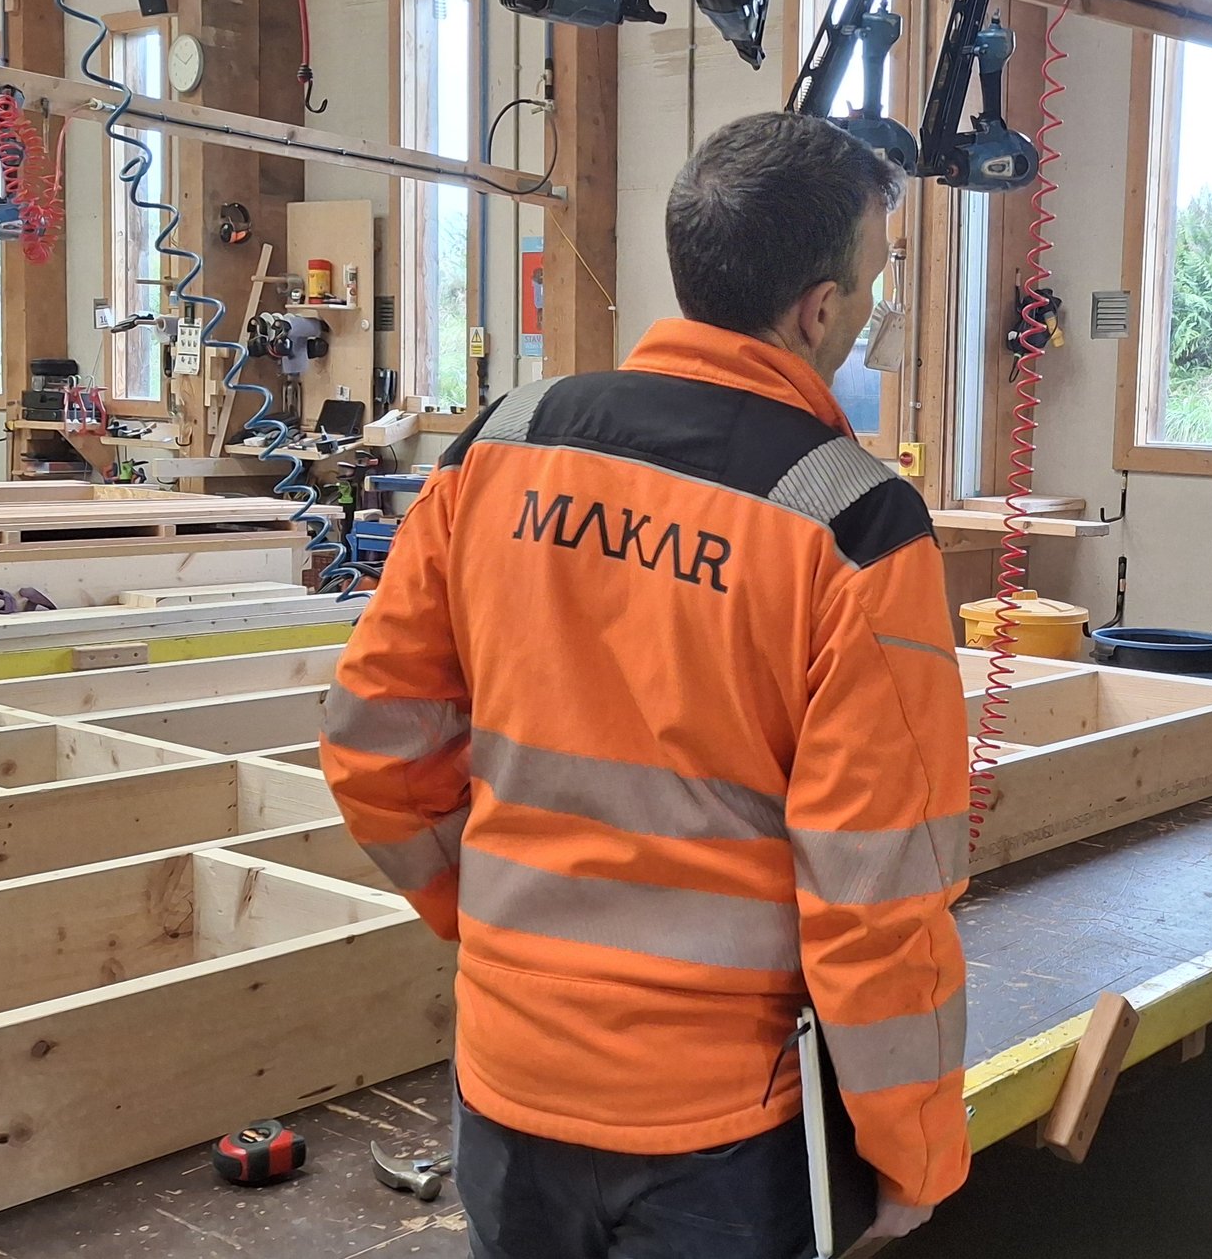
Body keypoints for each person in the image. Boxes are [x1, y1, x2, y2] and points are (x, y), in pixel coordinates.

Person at [320, 112, 972, 1259]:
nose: (871, 310)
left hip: (509, 1074)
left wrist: (488, 925)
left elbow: (374, 744)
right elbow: (876, 893)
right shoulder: (855, 523)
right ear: (817, 308)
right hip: (720, 1128)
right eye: (872, 283)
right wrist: (910, 1151)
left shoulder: (500, 446)